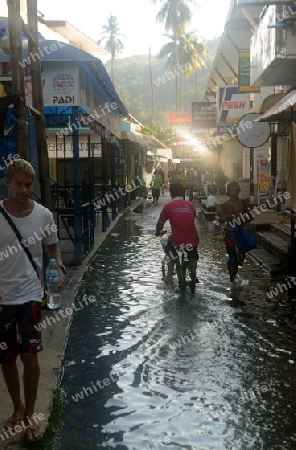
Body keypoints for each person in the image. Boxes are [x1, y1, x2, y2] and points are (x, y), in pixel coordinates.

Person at [0, 159, 66, 443]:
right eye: (18, 184)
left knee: (29, 355)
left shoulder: (43, 216)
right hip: (2, 298)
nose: (24, 190)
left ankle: (30, 413)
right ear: (7, 182)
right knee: (6, 356)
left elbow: (52, 248)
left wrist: (59, 268)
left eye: (28, 185)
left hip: (30, 295)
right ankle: (16, 405)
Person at [155, 182, 199, 284]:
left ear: (171, 194)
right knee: (193, 255)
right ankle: (193, 275)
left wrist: (157, 232)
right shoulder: (190, 205)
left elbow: (160, 223)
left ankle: (169, 277)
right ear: (183, 193)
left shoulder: (168, 206)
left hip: (177, 239)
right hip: (192, 238)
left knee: (170, 253)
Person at [220, 181, 250, 283]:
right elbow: (219, 219)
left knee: (239, 257)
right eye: (232, 190)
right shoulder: (225, 205)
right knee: (232, 256)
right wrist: (225, 218)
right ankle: (231, 278)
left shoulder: (243, 203)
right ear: (228, 191)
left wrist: (245, 217)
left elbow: (250, 217)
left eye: (236, 189)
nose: (234, 191)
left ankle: (233, 276)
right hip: (230, 234)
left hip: (241, 234)